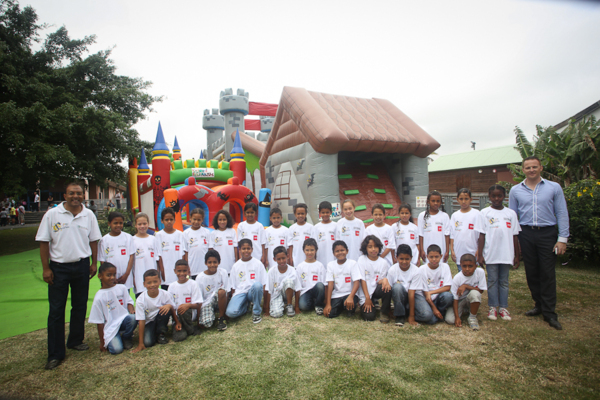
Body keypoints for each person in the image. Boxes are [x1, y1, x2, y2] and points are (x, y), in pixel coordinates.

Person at [35, 181, 102, 370]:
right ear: (65, 196)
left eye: (79, 193)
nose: (76, 196)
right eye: (72, 193)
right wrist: (46, 268)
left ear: (83, 195)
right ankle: (55, 354)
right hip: (58, 268)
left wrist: (93, 263)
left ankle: (75, 340)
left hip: (81, 266)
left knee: (79, 306)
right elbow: (43, 242)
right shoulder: (52, 214)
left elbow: (94, 240)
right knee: (56, 310)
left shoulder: (88, 215)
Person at [509, 156, 569, 331]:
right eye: (528, 167)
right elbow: (512, 217)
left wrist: (562, 239)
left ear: (541, 168)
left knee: (547, 273)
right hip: (526, 233)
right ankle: (539, 305)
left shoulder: (554, 188)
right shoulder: (515, 190)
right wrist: (514, 242)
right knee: (532, 272)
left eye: (535, 167)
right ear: (523, 169)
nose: (531, 170)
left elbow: (562, 213)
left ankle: (550, 313)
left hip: (547, 233)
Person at [477, 184, 521, 322]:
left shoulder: (511, 214)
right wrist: (480, 254)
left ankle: (503, 308)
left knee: (504, 282)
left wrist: (517, 255)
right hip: (491, 254)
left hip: (506, 254)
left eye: (499, 195)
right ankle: (492, 307)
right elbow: (482, 235)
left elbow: (515, 236)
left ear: (504, 196)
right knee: (492, 281)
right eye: (493, 196)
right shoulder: (484, 213)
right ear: (489, 197)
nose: (496, 198)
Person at [88, 263, 137, 354]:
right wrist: (102, 342)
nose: (112, 277)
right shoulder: (99, 297)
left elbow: (129, 302)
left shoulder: (122, 288)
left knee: (133, 318)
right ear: (100, 276)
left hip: (123, 320)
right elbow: (99, 322)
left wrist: (131, 310)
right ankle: (117, 336)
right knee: (117, 350)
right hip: (110, 327)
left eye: (114, 274)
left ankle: (126, 337)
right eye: (108, 275)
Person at [132, 270, 181, 352]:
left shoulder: (165, 294)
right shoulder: (140, 300)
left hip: (160, 318)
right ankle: (154, 333)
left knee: (166, 308)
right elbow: (141, 320)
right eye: (149, 283)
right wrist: (140, 344)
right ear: (144, 284)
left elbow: (172, 309)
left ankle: (161, 333)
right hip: (149, 322)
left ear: (160, 281)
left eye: (155, 282)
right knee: (148, 343)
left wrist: (177, 322)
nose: (152, 285)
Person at [408, 244, 453, 325]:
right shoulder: (422, 269)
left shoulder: (445, 266)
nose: (434, 259)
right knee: (431, 320)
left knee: (448, 296)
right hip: (425, 298)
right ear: (427, 257)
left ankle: (440, 312)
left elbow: (447, 287)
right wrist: (433, 308)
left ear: (441, 256)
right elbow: (425, 293)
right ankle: (413, 312)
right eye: (431, 257)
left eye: (437, 257)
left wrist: (431, 292)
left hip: (437, 296)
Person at [225, 239, 267, 324]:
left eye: (248, 248)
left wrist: (266, 305)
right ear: (239, 250)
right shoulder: (236, 266)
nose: (246, 251)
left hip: (253, 292)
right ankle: (245, 306)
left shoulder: (258, 264)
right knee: (230, 313)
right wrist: (234, 300)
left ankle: (256, 312)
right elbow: (233, 287)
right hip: (241, 292)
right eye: (243, 248)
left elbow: (264, 285)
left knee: (257, 285)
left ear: (252, 249)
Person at [445, 254, 486, 330]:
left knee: (475, 294)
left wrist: (466, 286)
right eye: (464, 266)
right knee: (450, 320)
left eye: (470, 266)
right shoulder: (457, 278)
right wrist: (457, 317)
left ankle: (472, 318)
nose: (467, 269)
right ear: (461, 265)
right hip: (460, 300)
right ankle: (464, 310)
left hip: (471, 298)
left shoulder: (480, 272)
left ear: (476, 266)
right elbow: (455, 299)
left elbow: (481, 290)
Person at [357, 235, 392, 323]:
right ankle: (371, 304)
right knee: (369, 317)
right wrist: (367, 298)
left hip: (375, 290)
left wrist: (384, 280)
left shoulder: (383, 262)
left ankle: (384, 312)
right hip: (365, 293)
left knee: (387, 287)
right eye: (370, 247)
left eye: (376, 246)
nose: (373, 249)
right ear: (365, 248)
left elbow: (379, 281)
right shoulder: (361, 259)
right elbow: (363, 280)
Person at [323, 240, 361, 318]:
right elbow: (330, 284)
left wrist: (350, 297)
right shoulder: (330, 265)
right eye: (337, 251)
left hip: (349, 294)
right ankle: (340, 307)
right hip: (337, 295)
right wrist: (328, 304)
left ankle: (347, 307)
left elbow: (357, 283)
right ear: (333, 253)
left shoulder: (352, 263)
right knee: (330, 314)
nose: (340, 253)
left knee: (350, 309)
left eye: (342, 250)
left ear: (347, 251)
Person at [98, 212, 135, 291]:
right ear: (109, 223)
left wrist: (126, 275)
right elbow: (102, 261)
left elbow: (131, 257)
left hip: (125, 277)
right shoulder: (104, 240)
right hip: (110, 279)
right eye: (115, 223)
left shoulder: (128, 238)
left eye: (121, 223)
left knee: (124, 299)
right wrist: (110, 277)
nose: (118, 225)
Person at [168, 260, 203, 342]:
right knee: (179, 338)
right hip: (177, 317)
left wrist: (188, 305)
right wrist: (176, 322)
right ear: (175, 271)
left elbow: (198, 304)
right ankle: (185, 328)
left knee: (183, 309)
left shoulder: (193, 284)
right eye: (179, 271)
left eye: (184, 271)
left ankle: (190, 329)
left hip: (189, 314)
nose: (182, 273)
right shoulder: (171, 286)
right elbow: (171, 307)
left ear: (188, 270)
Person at [196, 250, 229, 331]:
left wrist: (226, 309)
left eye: (215, 262)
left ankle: (221, 318)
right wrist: (198, 319)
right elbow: (199, 299)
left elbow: (227, 291)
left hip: (220, 300)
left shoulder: (223, 272)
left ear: (219, 262)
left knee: (221, 291)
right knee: (207, 323)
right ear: (205, 263)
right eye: (209, 262)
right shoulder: (200, 277)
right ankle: (212, 315)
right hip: (207, 302)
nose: (212, 265)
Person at [387, 244, 420, 327]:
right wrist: (388, 311)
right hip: (398, 297)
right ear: (396, 257)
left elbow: (412, 293)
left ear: (411, 258)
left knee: (426, 315)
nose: (404, 262)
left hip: (412, 298)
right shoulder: (392, 270)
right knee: (397, 287)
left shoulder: (416, 270)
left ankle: (408, 311)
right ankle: (400, 316)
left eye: (407, 259)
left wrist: (411, 316)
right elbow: (388, 291)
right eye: (401, 259)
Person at [449, 189, 482, 273]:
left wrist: (479, 250)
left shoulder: (476, 214)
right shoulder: (454, 215)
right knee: (462, 274)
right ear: (457, 200)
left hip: (473, 251)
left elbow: (480, 234)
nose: (464, 201)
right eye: (461, 199)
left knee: (473, 275)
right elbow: (452, 234)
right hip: (459, 251)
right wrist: (452, 250)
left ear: (471, 199)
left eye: (466, 199)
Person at [155, 208, 188, 289]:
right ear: (162, 221)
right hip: (165, 275)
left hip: (179, 274)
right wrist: (162, 271)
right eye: (166, 219)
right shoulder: (158, 235)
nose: (169, 221)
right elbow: (158, 256)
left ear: (174, 220)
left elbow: (184, 254)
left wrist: (184, 270)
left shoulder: (180, 235)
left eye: (171, 219)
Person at [264, 246, 300, 318]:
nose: (281, 261)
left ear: (287, 256)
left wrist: (296, 307)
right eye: (278, 259)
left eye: (283, 258)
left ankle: (289, 306)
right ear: (274, 259)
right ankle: (279, 305)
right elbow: (269, 290)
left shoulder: (292, 270)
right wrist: (267, 309)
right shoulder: (271, 271)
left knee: (288, 281)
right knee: (276, 314)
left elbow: (297, 289)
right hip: (276, 295)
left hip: (287, 294)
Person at [295, 239, 327, 315]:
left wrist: (325, 300)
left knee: (320, 285)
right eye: (307, 250)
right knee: (303, 306)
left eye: (312, 250)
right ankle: (313, 301)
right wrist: (296, 305)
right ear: (303, 251)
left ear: (316, 250)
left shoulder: (320, 265)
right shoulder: (300, 266)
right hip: (305, 291)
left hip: (317, 290)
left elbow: (324, 284)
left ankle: (319, 305)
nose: (309, 252)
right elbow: (298, 285)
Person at [418, 191, 451, 263]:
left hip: (441, 248)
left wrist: (447, 251)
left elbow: (447, 235)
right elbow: (421, 235)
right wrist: (422, 250)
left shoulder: (445, 216)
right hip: (427, 248)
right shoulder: (422, 216)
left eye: (438, 201)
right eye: (433, 201)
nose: (435, 203)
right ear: (428, 202)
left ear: (441, 202)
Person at [132, 213, 158, 297]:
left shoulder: (153, 239)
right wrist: (133, 279)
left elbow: (157, 259)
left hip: (153, 279)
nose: (142, 226)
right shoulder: (132, 240)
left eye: (144, 223)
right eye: (139, 224)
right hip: (139, 279)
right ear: (135, 225)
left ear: (148, 224)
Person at [184, 208, 210, 279]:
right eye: (194, 219)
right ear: (190, 218)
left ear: (202, 220)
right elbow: (185, 252)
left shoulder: (206, 232)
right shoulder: (186, 233)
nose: (196, 221)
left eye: (199, 220)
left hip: (205, 268)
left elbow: (210, 250)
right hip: (193, 268)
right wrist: (187, 266)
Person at [314, 201, 337, 268]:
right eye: (323, 212)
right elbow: (315, 245)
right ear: (319, 213)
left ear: (331, 212)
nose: (325, 214)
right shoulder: (316, 227)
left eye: (327, 212)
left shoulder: (335, 225)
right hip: (320, 257)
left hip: (333, 257)